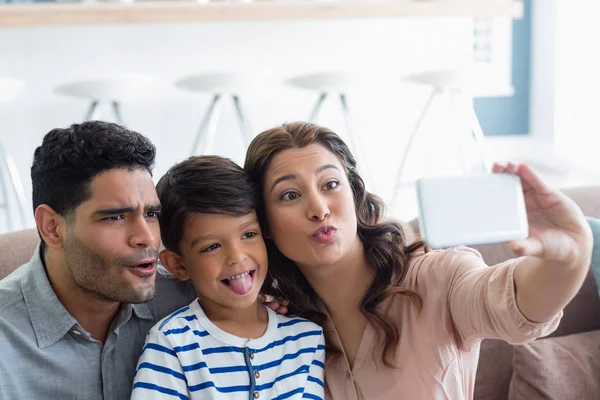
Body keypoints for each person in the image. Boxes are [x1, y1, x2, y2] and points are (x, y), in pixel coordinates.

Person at [243, 121, 594, 400]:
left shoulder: (437, 278)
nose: (319, 209)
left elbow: (514, 303)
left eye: (330, 184)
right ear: (265, 224)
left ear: (354, 194)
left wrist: (567, 257)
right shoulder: (276, 321)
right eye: (290, 195)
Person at [0, 121, 197, 400]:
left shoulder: (190, 298)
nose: (148, 238)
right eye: (115, 217)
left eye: (151, 214)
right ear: (52, 228)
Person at [131, 155, 325, 400]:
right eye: (212, 246)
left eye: (249, 234)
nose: (236, 257)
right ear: (178, 265)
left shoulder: (306, 338)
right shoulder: (172, 343)